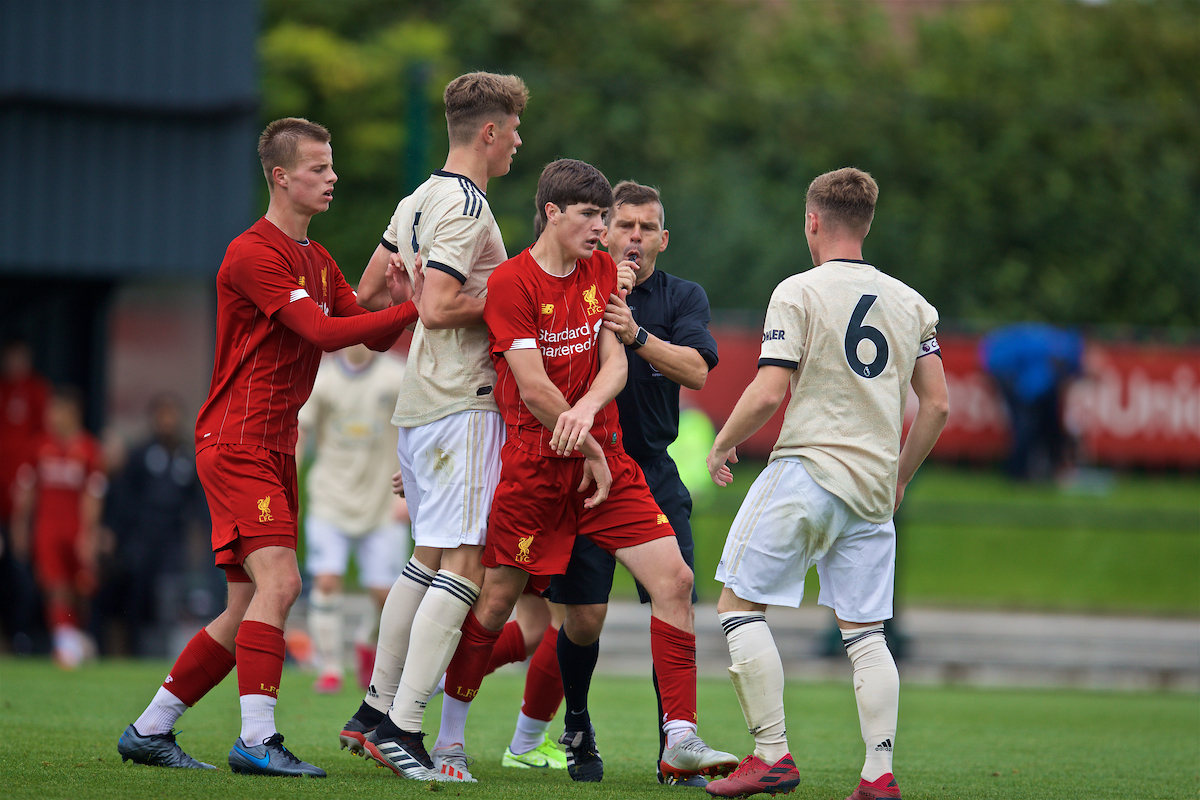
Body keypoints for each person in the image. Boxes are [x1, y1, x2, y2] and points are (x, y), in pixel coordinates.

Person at [116, 117, 420, 777]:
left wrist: (394, 295)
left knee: (243, 607)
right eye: (318, 167)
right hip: (239, 441)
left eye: (332, 164)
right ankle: (257, 739)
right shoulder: (253, 253)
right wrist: (423, 307)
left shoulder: (315, 256)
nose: (332, 176)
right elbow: (323, 331)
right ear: (281, 177)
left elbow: (361, 332)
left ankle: (149, 728)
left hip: (273, 445)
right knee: (280, 584)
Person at [435, 158, 736, 786]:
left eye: (611, 218)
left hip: (611, 462)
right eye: (594, 216)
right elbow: (532, 384)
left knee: (675, 581)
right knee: (495, 605)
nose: (605, 231)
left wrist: (593, 417)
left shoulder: (603, 273)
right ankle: (449, 740)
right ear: (551, 211)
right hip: (536, 469)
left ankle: (679, 736)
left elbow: (614, 363)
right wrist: (583, 438)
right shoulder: (514, 282)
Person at [702, 168, 949, 800]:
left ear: (812, 221)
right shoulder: (911, 303)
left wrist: (724, 442)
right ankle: (878, 775)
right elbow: (938, 406)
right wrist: (897, 476)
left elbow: (768, 390)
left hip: (808, 469)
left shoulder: (797, 292)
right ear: (868, 225)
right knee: (865, 635)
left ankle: (772, 754)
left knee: (737, 605)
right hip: (870, 489)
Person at [336, 71, 536, 784]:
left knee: (425, 562)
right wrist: (516, 296)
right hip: (461, 402)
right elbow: (440, 305)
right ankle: (404, 727)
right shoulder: (467, 207)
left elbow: (367, 293)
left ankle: (372, 712)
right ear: (489, 132)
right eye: (513, 128)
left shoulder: (417, 197)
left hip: (424, 402)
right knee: (465, 566)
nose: (518, 140)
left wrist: (415, 293)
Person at [537, 180, 723, 786]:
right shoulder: (572, 286)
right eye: (624, 226)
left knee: (676, 595)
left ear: (663, 240)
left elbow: (696, 370)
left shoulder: (682, 297)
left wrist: (636, 334)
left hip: (653, 472)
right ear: (602, 232)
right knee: (583, 619)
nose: (635, 237)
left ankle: (676, 741)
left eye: (647, 228)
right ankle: (579, 722)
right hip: (586, 471)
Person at [296, 344, 411, 694]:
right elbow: (300, 432)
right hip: (330, 498)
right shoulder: (324, 380)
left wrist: (413, 488)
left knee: (385, 595)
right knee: (326, 581)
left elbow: (418, 429)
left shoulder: (397, 375)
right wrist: (290, 486)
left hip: (383, 501)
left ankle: (365, 639)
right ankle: (329, 667)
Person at [99, 392, 209, 657]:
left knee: (169, 595)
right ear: (154, 419)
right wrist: (114, 531)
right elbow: (124, 496)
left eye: (172, 415)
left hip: (173, 538)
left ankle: (165, 652)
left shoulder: (187, 456)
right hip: (142, 537)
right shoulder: (140, 454)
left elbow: (198, 501)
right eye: (163, 416)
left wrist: (202, 533)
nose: (168, 421)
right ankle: (133, 651)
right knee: (137, 595)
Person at [10, 385, 106, 668]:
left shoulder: (88, 448)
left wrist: (88, 534)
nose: (51, 416)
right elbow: (25, 491)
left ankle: (79, 637)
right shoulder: (39, 446)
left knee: (83, 587)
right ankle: (66, 643)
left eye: (57, 410)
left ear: (72, 412)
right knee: (55, 585)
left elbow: (93, 496)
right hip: (47, 529)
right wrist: (19, 527)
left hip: (75, 529)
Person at [978, 322, 1085, 481]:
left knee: (1032, 424)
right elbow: (1031, 391)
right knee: (1026, 426)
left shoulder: (1057, 346)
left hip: (1002, 363)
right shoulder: (1060, 354)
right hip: (1006, 369)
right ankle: (1018, 473)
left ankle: (1029, 470)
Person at [0, 337, 51, 654]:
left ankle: (22, 635)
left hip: (25, 509)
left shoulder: (36, 391)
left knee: (24, 573)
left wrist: (22, 517)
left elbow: (40, 449)